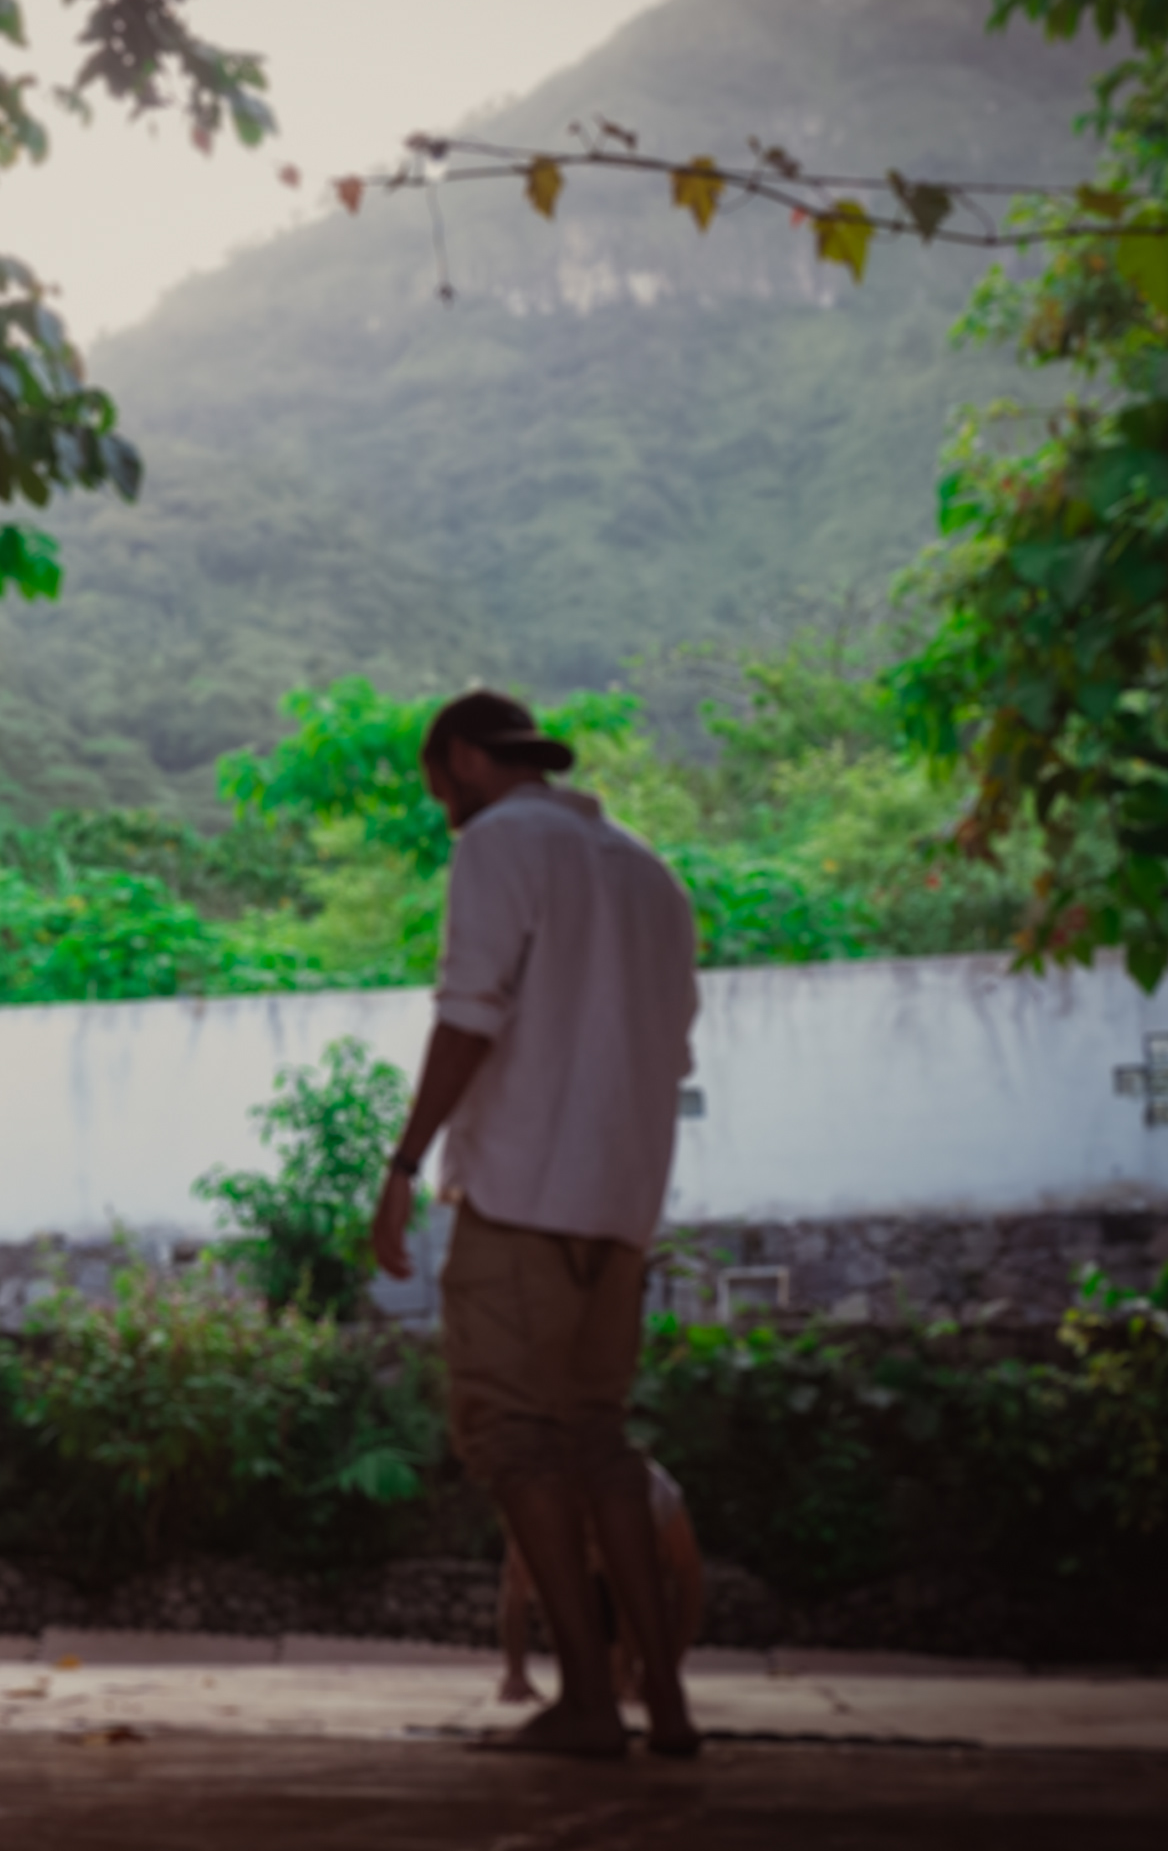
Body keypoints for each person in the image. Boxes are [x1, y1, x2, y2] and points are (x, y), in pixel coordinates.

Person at [366, 689, 701, 1760]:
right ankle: (668, 1709)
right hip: (621, 1212)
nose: (445, 810)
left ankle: (594, 1707)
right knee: (599, 1441)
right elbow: (670, 1049)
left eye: (439, 787)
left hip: (519, 1199)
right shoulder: (648, 872)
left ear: (462, 759)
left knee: (515, 1440)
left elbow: (470, 1015)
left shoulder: (501, 844)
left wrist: (405, 1162)